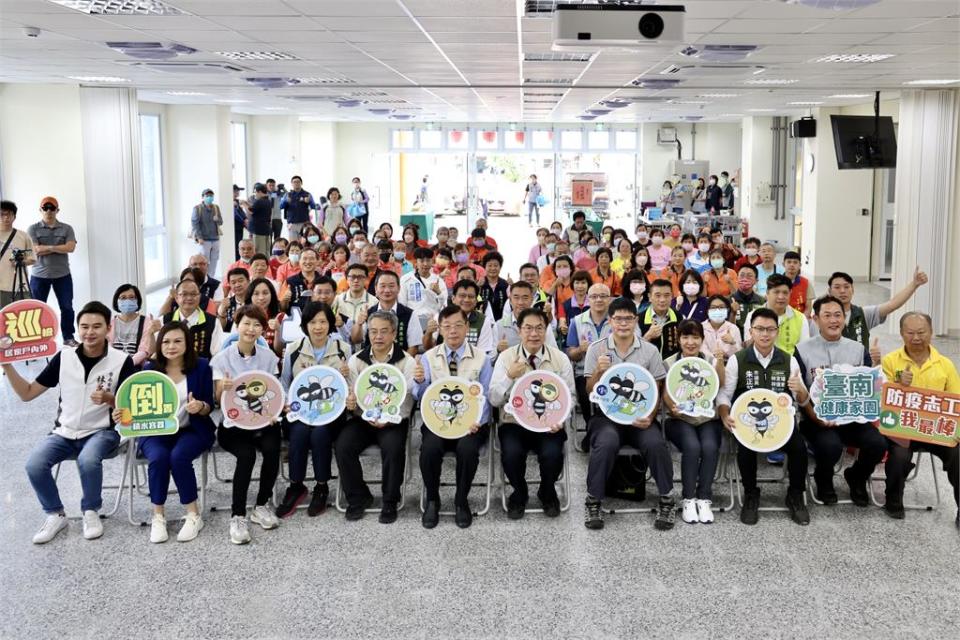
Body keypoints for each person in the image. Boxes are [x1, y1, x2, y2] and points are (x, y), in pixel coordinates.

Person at [3, 301, 134, 543]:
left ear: (108, 328)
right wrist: (7, 366)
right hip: (64, 432)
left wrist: (110, 398)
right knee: (34, 464)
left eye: (96, 326)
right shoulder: (63, 357)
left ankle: (90, 510)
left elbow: (133, 407)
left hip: (102, 432)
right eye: (84, 326)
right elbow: (28, 393)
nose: (89, 332)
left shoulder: (122, 361)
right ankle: (55, 514)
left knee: (88, 459)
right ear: (77, 328)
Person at [582, 298, 673, 530]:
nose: (623, 323)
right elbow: (589, 390)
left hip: (639, 417)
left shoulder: (650, 350)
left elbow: (658, 388)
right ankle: (593, 499)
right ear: (610, 321)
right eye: (618, 319)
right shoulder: (596, 349)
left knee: (655, 443)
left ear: (635, 321)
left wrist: (651, 417)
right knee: (606, 441)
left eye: (628, 319)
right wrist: (597, 372)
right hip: (606, 417)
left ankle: (667, 498)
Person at [717, 308, 810, 526]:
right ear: (751, 331)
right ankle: (751, 494)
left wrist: (800, 390)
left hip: (781, 424)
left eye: (770, 329)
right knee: (746, 449)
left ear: (777, 332)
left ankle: (795, 495)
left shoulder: (789, 361)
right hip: (747, 423)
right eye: (759, 329)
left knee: (799, 448)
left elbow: (804, 400)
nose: (765, 334)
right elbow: (724, 394)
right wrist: (724, 413)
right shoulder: (738, 360)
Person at [125, 321, 215, 543]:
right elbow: (137, 408)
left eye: (177, 341)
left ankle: (193, 514)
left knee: (179, 457)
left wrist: (200, 406)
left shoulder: (202, 366)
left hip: (191, 429)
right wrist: (123, 415)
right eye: (165, 341)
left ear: (187, 343)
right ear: (159, 344)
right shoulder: (149, 369)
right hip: (157, 431)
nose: (171, 346)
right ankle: (158, 516)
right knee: (158, 458)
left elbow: (209, 405)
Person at [794, 296, 886, 506]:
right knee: (830, 446)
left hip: (852, 416)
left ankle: (857, 477)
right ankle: (823, 478)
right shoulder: (802, 349)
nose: (833, 320)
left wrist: (877, 366)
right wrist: (814, 416)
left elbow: (870, 388)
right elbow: (799, 391)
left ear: (844, 318)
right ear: (815, 319)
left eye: (838, 315)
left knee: (878, 443)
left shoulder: (857, 348)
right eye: (827, 315)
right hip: (816, 418)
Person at [489, 308, 576, 519]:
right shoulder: (506, 358)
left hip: (548, 423)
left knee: (553, 453)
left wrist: (561, 418)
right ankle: (519, 493)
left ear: (547, 330)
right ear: (519, 330)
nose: (534, 334)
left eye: (539, 328)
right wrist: (510, 376)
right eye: (528, 328)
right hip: (513, 423)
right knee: (511, 454)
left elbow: (571, 396)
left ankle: (547, 491)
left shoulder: (560, 358)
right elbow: (493, 398)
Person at [414, 305, 494, 529]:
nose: (453, 331)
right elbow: (422, 397)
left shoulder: (482, 359)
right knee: (429, 449)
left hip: (472, 424)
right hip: (438, 422)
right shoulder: (429, 357)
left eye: (458, 325)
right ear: (439, 329)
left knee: (468, 450)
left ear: (467, 327)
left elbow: (487, 396)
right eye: (447, 326)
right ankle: (432, 499)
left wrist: (478, 421)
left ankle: (461, 500)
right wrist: (419, 382)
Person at [336, 311, 418, 522]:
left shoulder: (407, 362)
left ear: (393, 334)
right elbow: (352, 393)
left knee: (393, 448)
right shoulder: (357, 360)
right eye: (373, 332)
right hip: (363, 418)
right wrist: (351, 403)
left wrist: (390, 418)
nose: (378, 336)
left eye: (384, 331)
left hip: (393, 419)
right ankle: (358, 497)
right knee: (343, 445)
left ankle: (390, 501)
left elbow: (407, 397)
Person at [210, 305, 282, 544]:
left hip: (262, 420)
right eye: (246, 323)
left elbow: (273, 390)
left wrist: (273, 411)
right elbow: (218, 400)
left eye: (257, 325)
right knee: (247, 455)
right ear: (237, 325)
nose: (251, 329)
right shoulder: (222, 358)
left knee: (273, 449)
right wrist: (223, 388)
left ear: (263, 329)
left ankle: (261, 506)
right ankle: (238, 515)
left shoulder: (269, 357)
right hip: (233, 425)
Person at [880, 312, 959, 522]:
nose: (916, 337)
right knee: (899, 455)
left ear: (931, 332)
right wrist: (898, 382)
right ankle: (893, 500)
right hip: (902, 428)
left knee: (958, 455)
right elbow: (881, 396)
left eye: (921, 332)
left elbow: (955, 401)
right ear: (901, 334)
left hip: (935, 429)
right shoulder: (890, 361)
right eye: (910, 332)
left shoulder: (945, 364)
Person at [275, 302, 351, 519]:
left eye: (323, 321)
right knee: (298, 432)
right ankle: (296, 485)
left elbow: (348, 386)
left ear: (330, 324)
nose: (318, 327)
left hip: (331, 413)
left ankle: (321, 486)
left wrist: (347, 374)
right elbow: (284, 382)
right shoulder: (293, 349)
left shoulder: (342, 349)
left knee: (320, 434)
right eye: (313, 322)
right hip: (300, 411)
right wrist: (288, 402)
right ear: (305, 325)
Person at [663, 320, 725, 524]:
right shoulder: (669, 363)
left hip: (706, 418)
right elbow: (665, 394)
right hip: (679, 419)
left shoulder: (709, 360)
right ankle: (689, 498)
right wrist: (673, 407)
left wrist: (720, 362)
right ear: (678, 339)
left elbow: (720, 385)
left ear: (702, 339)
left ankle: (704, 498)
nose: (690, 342)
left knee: (709, 447)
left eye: (695, 337)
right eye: (685, 337)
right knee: (692, 446)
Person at [827, 267, 928, 350]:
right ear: (829, 291)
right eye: (837, 287)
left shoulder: (863, 313)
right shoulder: (822, 317)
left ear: (852, 290)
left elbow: (892, 304)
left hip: (860, 372)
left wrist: (914, 284)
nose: (842, 291)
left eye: (846, 287)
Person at [28, 196, 77, 346]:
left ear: (57, 210)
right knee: (36, 309)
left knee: (67, 307)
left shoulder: (67, 228)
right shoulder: (33, 228)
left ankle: (68, 337)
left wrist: (47, 247)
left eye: (52, 208)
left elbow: (71, 248)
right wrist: (58, 248)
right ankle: (36, 341)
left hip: (62, 275)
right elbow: (35, 250)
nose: (49, 211)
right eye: (45, 208)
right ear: (40, 210)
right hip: (39, 276)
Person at [566, 283, 612, 427]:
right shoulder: (577, 321)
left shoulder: (617, 320)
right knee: (586, 396)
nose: (599, 300)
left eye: (603, 296)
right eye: (594, 296)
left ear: (609, 299)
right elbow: (570, 353)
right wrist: (580, 349)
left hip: (613, 370)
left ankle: (608, 426)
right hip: (584, 372)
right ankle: (591, 428)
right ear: (588, 299)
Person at [354, 270, 424, 356]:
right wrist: (359, 324)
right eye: (382, 286)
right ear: (376, 289)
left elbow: (413, 347)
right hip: (371, 364)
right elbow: (356, 340)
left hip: (400, 365)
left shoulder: (410, 314)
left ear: (398, 288)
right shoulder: (367, 313)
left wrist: (402, 365)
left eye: (391, 286)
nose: (387, 290)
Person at [745, 274, 811, 356]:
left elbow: (804, 350)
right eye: (776, 292)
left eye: (785, 293)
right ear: (767, 293)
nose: (781, 297)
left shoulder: (800, 318)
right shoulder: (752, 316)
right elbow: (748, 347)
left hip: (789, 365)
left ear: (790, 293)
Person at [162, 279, 223, 359]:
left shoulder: (213, 322)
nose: (189, 298)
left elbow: (217, 356)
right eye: (184, 294)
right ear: (176, 298)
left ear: (199, 297)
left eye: (193, 294)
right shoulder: (165, 321)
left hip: (202, 370)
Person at [108, 284, 155, 367]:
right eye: (123, 298)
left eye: (131, 297)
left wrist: (127, 364)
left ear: (137, 300)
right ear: (117, 301)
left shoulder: (146, 322)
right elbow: (107, 348)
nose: (127, 300)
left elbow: (144, 350)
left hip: (136, 367)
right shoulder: (110, 323)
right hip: (113, 366)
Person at [399, 247, 448, 327]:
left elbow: (444, 306)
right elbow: (402, 304)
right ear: (416, 262)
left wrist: (438, 292)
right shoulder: (405, 279)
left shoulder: (438, 280)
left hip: (434, 322)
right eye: (422, 261)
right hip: (412, 321)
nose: (425, 264)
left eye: (428, 260)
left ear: (432, 262)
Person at [0, 200, 35, 306]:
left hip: (20, 286)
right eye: (2, 214)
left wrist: (21, 262)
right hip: (0, 287)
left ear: (14, 217)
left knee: (22, 317)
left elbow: (32, 258)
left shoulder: (23, 236)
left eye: (9, 214)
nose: (6, 217)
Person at [640, 279, 681, 360]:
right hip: (647, 367)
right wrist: (647, 337)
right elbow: (632, 350)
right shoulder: (639, 319)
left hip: (672, 367)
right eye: (657, 295)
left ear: (672, 296)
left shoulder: (680, 318)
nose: (662, 300)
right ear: (649, 297)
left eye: (667, 295)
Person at [190, 188, 223, 276]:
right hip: (204, 239)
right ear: (203, 197)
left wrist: (217, 219)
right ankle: (203, 277)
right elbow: (195, 224)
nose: (209, 197)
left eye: (211, 196)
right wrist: (199, 237)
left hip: (215, 238)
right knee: (204, 261)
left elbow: (221, 222)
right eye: (207, 196)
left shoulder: (216, 208)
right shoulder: (197, 208)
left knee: (214, 260)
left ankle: (211, 277)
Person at [702, 295, 742, 364]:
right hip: (706, 366)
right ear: (708, 310)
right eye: (713, 308)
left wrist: (732, 343)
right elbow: (701, 350)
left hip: (728, 366)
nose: (717, 310)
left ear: (727, 309)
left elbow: (739, 354)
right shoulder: (701, 327)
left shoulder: (733, 328)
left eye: (721, 307)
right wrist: (717, 358)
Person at [280, 247, 321, 313]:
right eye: (304, 258)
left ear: (317, 261)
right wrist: (285, 300)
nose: (308, 262)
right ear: (299, 261)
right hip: (295, 321)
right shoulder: (289, 282)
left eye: (311, 258)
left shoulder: (324, 281)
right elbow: (282, 308)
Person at [731, 264, 765, 338]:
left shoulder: (762, 301)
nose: (745, 279)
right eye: (742, 275)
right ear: (737, 278)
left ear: (756, 281)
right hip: (735, 341)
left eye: (749, 276)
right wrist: (732, 313)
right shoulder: (728, 301)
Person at [280, 175, 316, 240]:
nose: (296, 183)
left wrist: (309, 201)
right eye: (294, 182)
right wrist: (286, 201)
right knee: (294, 244)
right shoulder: (287, 194)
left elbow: (314, 206)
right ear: (292, 184)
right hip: (292, 224)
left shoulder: (307, 194)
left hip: (304, 223)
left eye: (298, 182)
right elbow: (281, 206)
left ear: (301, 183)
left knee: (304, 243)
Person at [217, 268, 250, 332]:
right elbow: (221, 330)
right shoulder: (227, 303)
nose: (237, 285)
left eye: (240, 281)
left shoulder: (255, 301)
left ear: (248, 281)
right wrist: (222, 314)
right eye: (233, 282)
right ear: (229, 284)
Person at [479, 251, 509, 321]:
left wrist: (513, 287)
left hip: (502, 323)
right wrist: (478, 287)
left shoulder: (505, 285)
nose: (493, 268)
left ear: (500, 267)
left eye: (496, 265)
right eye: (489, 265)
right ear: (484, 267)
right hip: (483, 322)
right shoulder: (480, 284)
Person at [245, 183, 274, 256]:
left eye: (256, 192)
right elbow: (255, 208)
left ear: (260, 192)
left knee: (259, 252)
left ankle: (261, 266)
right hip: (266, 230)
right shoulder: (268, 201)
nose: (255, 195)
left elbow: (251, 211)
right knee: (266, 251)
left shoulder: (259, 201)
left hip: (258, 231)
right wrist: (248, 204)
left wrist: (244, 205)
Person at [232, 184, 245, 260]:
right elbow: (236, 215)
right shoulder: (229, 202)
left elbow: (242, 213)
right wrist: (244, 221)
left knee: (239, 247)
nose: (237, 192)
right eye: (236, 191)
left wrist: (245, 219)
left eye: (238, 191)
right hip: (234, 228)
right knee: (235, 247)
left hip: (240, 228)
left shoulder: (237, 202)